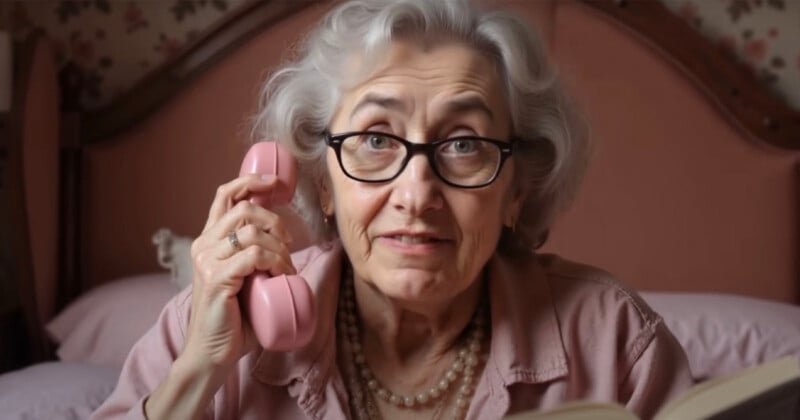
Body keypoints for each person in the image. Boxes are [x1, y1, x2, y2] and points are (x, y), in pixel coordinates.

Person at [91, 0, 693, 419]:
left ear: (517, 190)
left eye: (464, 145)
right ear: (322, 183)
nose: (417, 193)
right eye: (376, 140)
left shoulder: (615, 341)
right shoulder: (203, 326)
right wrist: (200, 372)